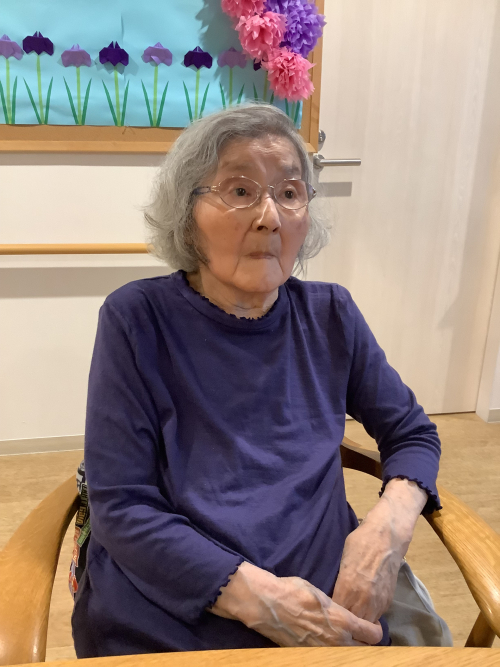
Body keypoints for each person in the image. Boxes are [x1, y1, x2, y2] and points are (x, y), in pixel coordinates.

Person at [72, 103, 450, 656]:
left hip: (332, 612)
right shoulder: (136, 320)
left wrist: (386, 532)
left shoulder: (331, 315)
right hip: (179, 612)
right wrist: (260, 599)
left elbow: (412, 432)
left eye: (290, 192)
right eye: (240, 190)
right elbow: (123, 506)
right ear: (186, 212)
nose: (270, 216)